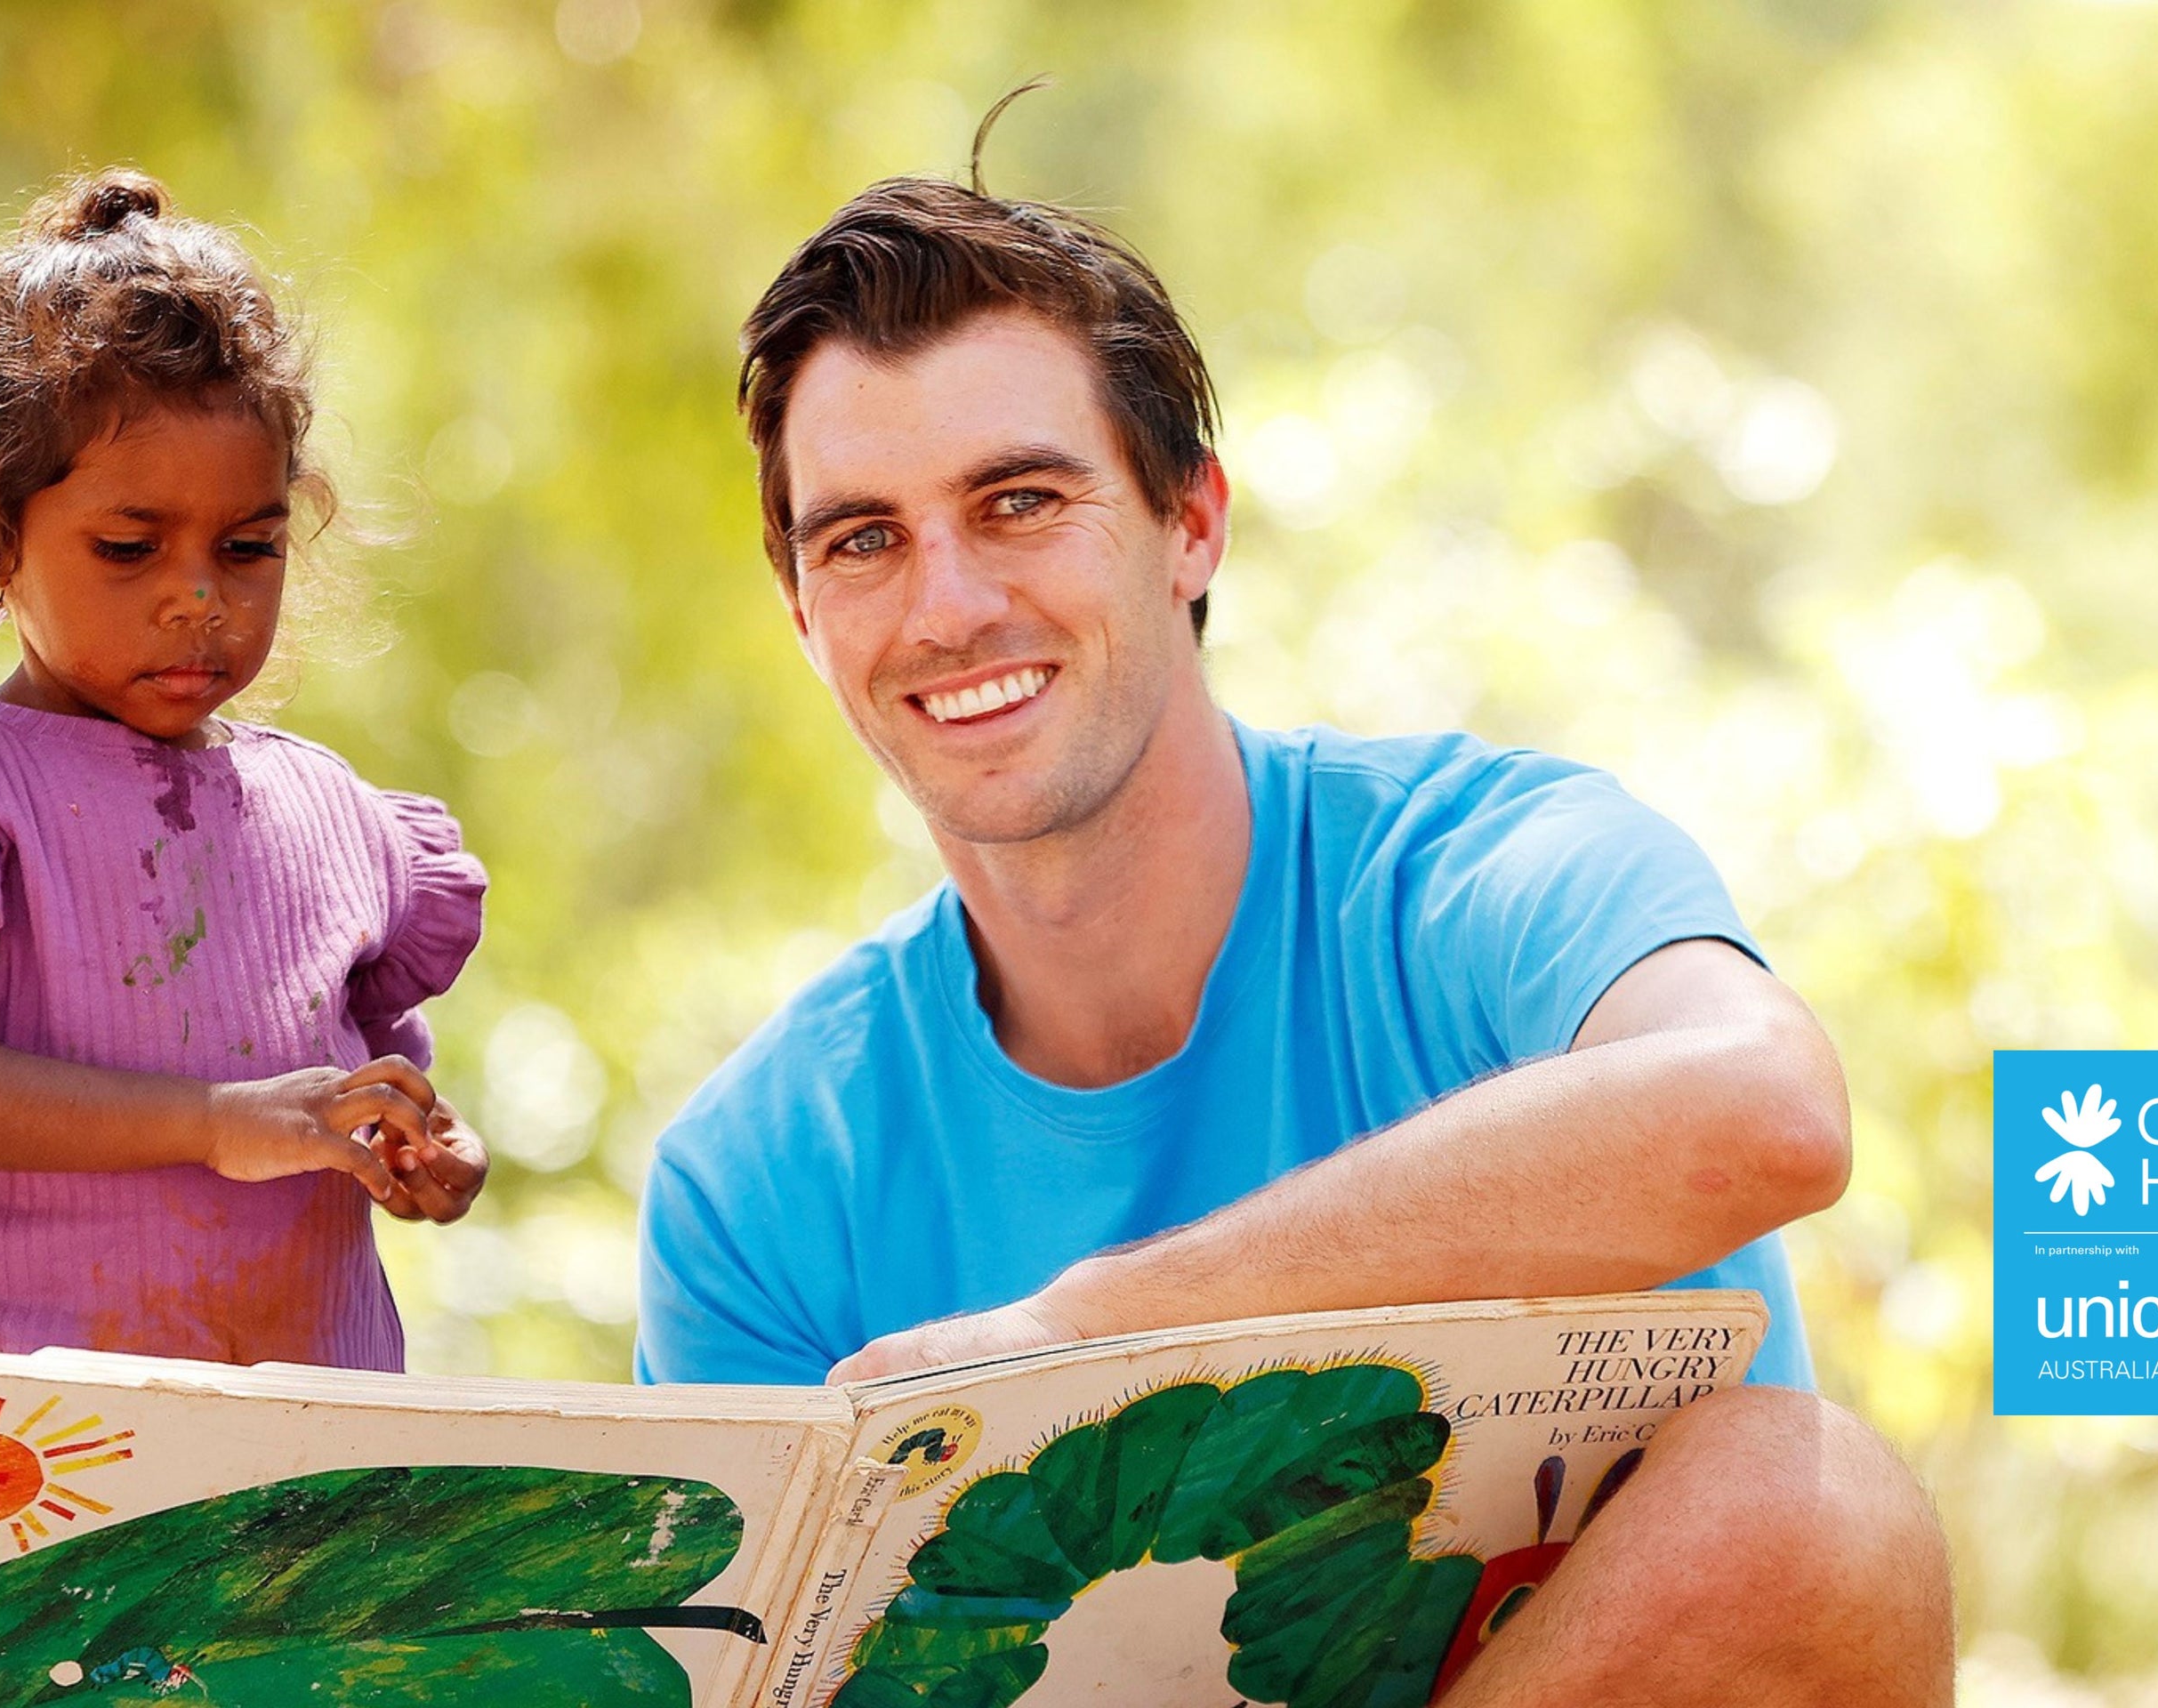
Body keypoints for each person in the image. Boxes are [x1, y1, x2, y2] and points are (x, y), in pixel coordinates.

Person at [635, 168, 1955, 1703]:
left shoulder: (1476, 871)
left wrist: (1080, 1340)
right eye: (862, 539)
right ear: (802, 610)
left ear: (1190, 521)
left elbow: (1764, 1113)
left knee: (1811, 1510)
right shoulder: (757, 1183)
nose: (948, 606)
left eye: (1021, 501)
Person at [0, 170, 489, 1370]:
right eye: (129, 549)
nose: (198, 598)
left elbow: (366, 1090)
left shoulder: (336, 818)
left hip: (299, 1462)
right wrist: (210, 1125)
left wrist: (416, 1148)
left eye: (249, 549)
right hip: (33, 1450)